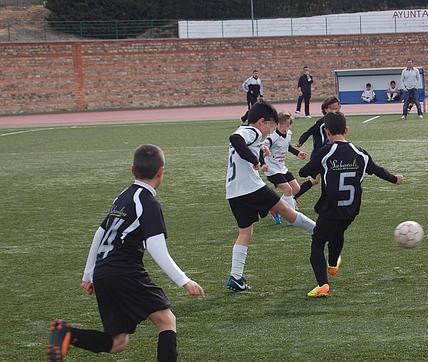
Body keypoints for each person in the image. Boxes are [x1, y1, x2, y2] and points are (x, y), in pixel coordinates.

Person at [47, 144, 205, 362]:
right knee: (166, 320)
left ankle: (66, 334)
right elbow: (156, 248)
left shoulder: (123, 196)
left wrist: (89, 273)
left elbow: (100, 233)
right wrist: (184, 281)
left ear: (133, 170)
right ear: (161, 172)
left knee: (117, 342)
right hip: (125, 271)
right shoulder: (148, 203)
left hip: (103, 272)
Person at [299, 112, 404, 297]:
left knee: (317, 243)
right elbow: (376, 169)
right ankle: (332, 264)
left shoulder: (326, 152)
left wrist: (318, 169)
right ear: (346, 130)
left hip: (330, 208)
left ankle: (322, 285)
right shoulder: (360, 153)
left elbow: (303, 171)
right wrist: (394, 179)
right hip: (350, 209)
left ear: (326, 131)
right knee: (338, 232)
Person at [225, 101, 316, 292]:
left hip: (233, 192)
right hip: (251, 187)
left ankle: (235, 277)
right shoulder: (252, 132)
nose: (270, 130)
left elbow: (242, 141)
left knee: (245, 232)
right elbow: (235, 139)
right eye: (270, 125)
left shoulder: (247, 130)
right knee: (287, 211)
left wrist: (259, 151)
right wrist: (255, 160)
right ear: (261, 122)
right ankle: (321, 232)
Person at [293, 95, 342, 203]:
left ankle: (293, 197)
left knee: (317, 180)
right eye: (332, 108)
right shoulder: (321, 123)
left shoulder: (337, 122)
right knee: (325, 178)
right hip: (319, 155)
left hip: (330, 154)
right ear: (325, 109)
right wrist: (301, 141)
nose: (334, 110)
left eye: (336, 108)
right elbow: (308, 132)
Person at [261, 111, 307, 224]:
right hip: (272, 169)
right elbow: (261, 149)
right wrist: (263, 164)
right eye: (281, 124)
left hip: (282, 167)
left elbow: (287, 145)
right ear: (277, 124)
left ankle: (275, 209)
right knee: (288, 189)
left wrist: (297, 153)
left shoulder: (289, 134)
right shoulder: (272, 138)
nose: (284, 127)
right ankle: (291, 217)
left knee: (296, 188)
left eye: (287, 125)